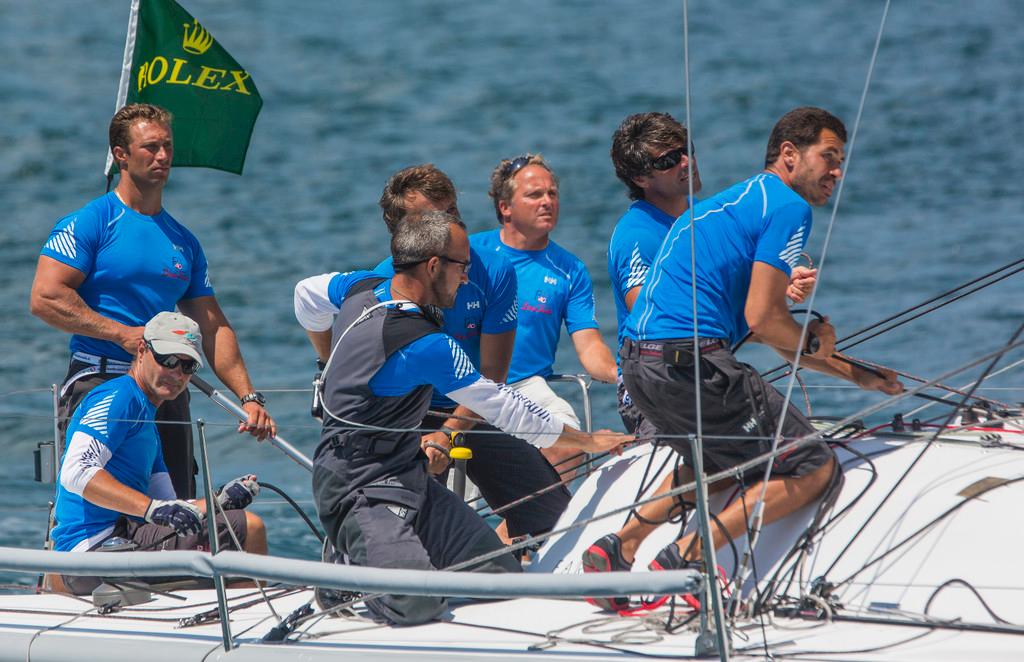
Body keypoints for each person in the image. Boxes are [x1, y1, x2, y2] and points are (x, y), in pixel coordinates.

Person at [583, 107, 903, 611]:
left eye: (842, 160)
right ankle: (688, 560)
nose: (837, 172)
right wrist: (808, 332)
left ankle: (616, 548)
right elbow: (767, 319)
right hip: (688, 362)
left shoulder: (728, 204)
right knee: (814, 466)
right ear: (790, 156)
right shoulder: (787, 207)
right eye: (829, 157)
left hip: (645, 366)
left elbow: (763, 327)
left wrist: (854, 372)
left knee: (724, 458)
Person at [294, 211, 629, 626]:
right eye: (462, 267)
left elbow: (305, 293)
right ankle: (348, 570)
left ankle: (398, 566)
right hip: (358, 488)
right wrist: (588, 441)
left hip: (408, 477)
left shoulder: (359, 288)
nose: (467, 278)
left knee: (500, 580)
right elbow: (504, 406)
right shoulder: (425, 344)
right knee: (415, 605)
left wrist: (325, 361)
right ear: (433, 265)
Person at [30, 103, 275, 499]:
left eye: (167, 146)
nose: (162, 156)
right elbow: (45, 297)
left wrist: (248, 398)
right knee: (92, 509)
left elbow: (213, 325)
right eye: (150, 147)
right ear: (120, 155)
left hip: (168, 386)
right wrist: (123, 334)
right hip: (101, 378)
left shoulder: (184, 240)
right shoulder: (91, 222)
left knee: (177, 512)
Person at [372, 165, 570, 542]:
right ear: (406, 235)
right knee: (402, 527)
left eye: (453, 213)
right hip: (405, 413)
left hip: (474, 405)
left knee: (557, 518)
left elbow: (493, 375)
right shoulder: (384, 283)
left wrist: (448, 433)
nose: (451, 225)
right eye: (436, 219)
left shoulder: (494, 269)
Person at [607, 112, 817, 441]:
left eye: (686, 149)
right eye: (669, 160)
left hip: (704, 371)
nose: (687, 162)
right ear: (641, 179)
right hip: (653, 387)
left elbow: (729, 287)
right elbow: (661, 320)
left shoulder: (702, 214)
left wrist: (778, 281)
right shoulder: (635, 235)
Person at [52, 312, 267, 595]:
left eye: (188, 366)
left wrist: (220, 500)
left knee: (230, 520)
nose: (177, 373)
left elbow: (170, 507)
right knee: (249, 529)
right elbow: (76, 472)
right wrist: (150, 508)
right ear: (142, 350)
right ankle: (247, 628)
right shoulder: (119, 397)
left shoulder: (146, 419)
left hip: (120, 541)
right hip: (94, 552)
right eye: (168, 360)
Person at [475, 154, 618, 476]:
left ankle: (525, 526)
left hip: (525, 388)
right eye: (534, 194)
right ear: (505, 207)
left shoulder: (570, 270)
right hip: (464, 385)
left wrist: (623, 375)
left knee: (568, 446)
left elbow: (589, 345)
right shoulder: (469, 253)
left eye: (552, 193)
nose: (547, 201)